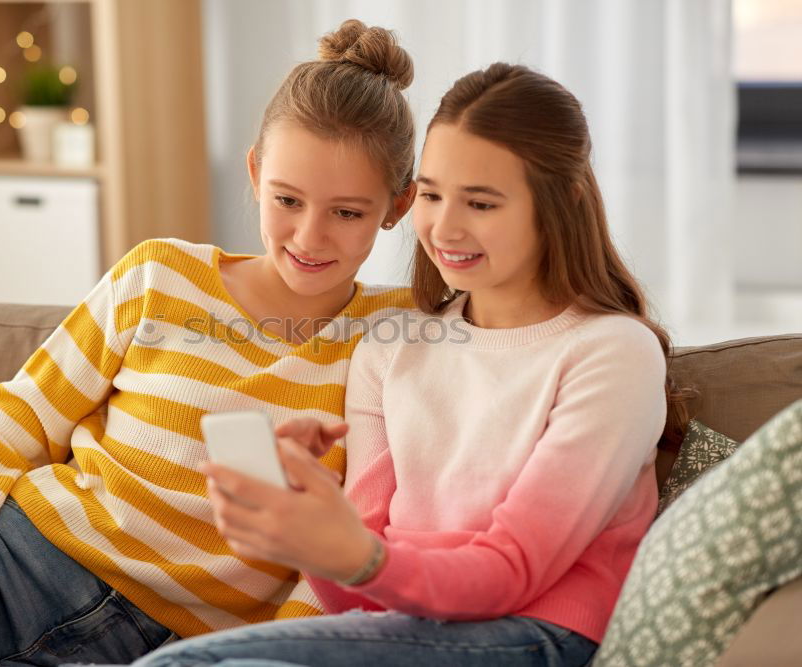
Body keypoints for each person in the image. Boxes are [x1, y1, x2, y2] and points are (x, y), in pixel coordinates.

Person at [0, 20, 419, 667]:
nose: (309, 236)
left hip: (183, 645)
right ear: (256, 171)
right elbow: (21, 416)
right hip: (13, 561)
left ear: (398, 206)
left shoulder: (394, 341)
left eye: (348, 212)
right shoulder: (160, 276)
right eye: (287, 199)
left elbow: (354, 542)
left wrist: (282, 648)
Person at [124, 62, 692, 667]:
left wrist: (358, 557)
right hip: (405, 630)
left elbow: (511, 571)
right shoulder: (391, 346)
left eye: (481, 202)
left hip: (533, 633)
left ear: (562, 201)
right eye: (432, 193)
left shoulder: (611, 352)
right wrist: (315, 521)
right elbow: (353, 595)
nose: (445, 227)